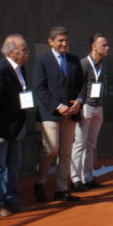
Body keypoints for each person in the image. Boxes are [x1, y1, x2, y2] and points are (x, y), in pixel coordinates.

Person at [0, 33, 32, 217]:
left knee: (14, 166)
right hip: (1, 129)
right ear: (12, 51)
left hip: (16, 128)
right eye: (24, 50)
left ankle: (12, 199)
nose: (28, 53)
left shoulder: (21, 69)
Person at [34, 25, 85, 203]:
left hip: (71, 113)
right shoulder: (42, 61)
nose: (64, 44)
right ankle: (40, 180)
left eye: (66, 40)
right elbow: (39, 88)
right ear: (51, 42)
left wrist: (79, 101)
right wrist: (58, 106)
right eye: (60, 41)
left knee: (65, 153)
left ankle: (62, 190)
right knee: (51, 149)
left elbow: (83, 85)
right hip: (50, 113)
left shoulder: (74, 60)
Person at [73, 34, 109, 192]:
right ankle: (75, 179)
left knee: (91, 144)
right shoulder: (84, 64)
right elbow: (77, 86)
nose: (107, 48)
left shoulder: (102, 64)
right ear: (94, 47)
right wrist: (79, 104)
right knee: (80, 143)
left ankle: (87, 177)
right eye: (104, 45)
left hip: (98, 106)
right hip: (85, 106)